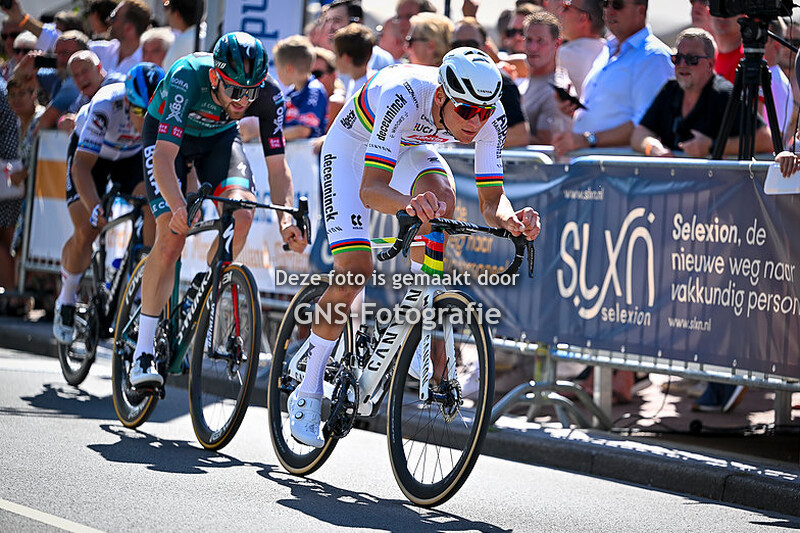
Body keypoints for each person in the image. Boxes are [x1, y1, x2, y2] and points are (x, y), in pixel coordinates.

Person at [287, 48, 542, 447]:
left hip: (409, 147)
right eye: (466, 111)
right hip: (353, 150)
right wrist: (408, 206)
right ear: (440, 97)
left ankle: (426, 302)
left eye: (483, 113)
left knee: (442, 199)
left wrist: (511, 220)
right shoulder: (404, 95)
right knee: (355, 269)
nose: (475, 122)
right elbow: (371, 190)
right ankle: (308, 386)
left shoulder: (490, 115)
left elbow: (492, 203)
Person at [129, 32, 306, 387]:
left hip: (220, 141)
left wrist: (287, 217)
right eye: (235, 91)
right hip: (167, 140)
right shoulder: (187, 76)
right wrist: (178, 206)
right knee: (172, 235)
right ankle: (143, 351)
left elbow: (278, 167)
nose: (244, 100)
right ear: (215, 77)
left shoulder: (268, 95)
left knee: (242, 212)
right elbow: (164, 157)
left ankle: (207, 286)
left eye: (251, 91)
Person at [52, 62, 164, 343]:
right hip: (92, 158)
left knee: (153, 205)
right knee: (88, 228)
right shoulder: (105, 106)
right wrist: (95, 207)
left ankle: (141, 292)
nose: (145, 120)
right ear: (127, 101)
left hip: (130, 158)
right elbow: (81, 167)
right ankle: (66, 297)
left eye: (153, 112)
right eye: (140, 112)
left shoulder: (160, 110)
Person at [552, 0, 673, 157]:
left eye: (617, 5)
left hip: (622, 172)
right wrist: (574, 112)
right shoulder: (608, 50)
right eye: (606, 3)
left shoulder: (654, 56)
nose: (609, 10)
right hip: (596, 168)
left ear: (640, 11)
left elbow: (646, 126)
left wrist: (588, 140)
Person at [631, 28, 771, 157]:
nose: (682, 65)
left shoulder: (724, 94)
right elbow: (639, 133)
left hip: (715, 183)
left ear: (710, 65)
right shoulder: (670, 89)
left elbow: (765, 139)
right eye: (677, 58)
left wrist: (713, 146)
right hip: (673, 181)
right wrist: (654, 149)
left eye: (692, 59)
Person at [451, 17, 529, 148]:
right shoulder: (442, 79)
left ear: (486, 48)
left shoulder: (501, 82)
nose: (464, 50)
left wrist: (468, 138)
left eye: (471, 44)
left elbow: (520, 136)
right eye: (457, 45)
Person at [13, 31, 89, 130]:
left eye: (65, 53)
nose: (60, 59)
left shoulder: (74, 82)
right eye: (57, 53)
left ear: (82, 54)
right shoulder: (59, 76)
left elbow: (45, 121)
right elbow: (20, 79)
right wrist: (28, 61)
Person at [521, 11, 574, 145]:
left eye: (540, 41)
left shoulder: (556, 91)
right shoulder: (527, 82)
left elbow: (546, 143)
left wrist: (491, 137)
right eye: (529, 40)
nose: (533, 47)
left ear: (557, 44)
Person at [273, 35, 328, 140]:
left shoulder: (314, 91)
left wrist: (272, 138)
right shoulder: (291, 95)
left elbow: (303, 130)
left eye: (277, 67)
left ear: (289, 69)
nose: (276, 73)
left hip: (309, 154)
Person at [0, 77, 21, 314]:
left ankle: (14, 296)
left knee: (4, 238)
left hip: (8, 172)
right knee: (5, 238)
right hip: (9, 171)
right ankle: (13, 295)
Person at [555, 0, 605, 98]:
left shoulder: (564, 55)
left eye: (566, 7)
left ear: (583, 18)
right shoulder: (610, 51)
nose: (560, 12)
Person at [332, 23, 374, 101]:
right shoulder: (355, 81)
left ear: (346, 58)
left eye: (336, 54)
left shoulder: (365, 91)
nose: (335, 60)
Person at [162, 0, 206, 70]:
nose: (166, 13)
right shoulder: (209, 35)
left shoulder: (181, 42)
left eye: (167, 7)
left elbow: (168, 74)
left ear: (177, 14)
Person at [709, 14, 742, 83]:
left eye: (730, 7)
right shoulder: (702, 61)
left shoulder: (752, 59)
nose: (722, 16)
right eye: (716, 6)